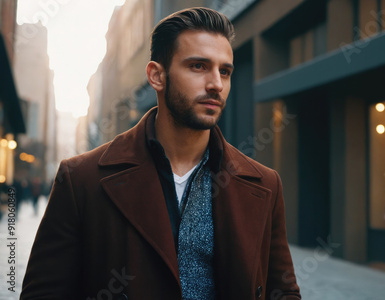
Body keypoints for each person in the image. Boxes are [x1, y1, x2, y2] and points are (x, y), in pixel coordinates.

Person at [21, 7, 301, 300]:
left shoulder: (264, 184)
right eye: (198, 66)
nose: (216, 84)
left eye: (225, 71)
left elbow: (282, 291)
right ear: (157, 76)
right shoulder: (82, 179)